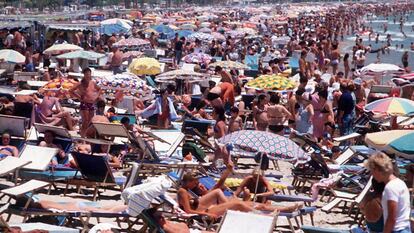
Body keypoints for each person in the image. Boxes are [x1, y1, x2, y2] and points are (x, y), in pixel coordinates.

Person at [177, 173, 300, 219]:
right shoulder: (182, 191)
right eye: (195, 182)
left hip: (210, 207)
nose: (197, 185)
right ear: (188, 181)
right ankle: (262, 216)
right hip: (207, 211)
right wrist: (207, 214)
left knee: (251, 204)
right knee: (239, 204)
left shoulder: (187, 190)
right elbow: (188, 211)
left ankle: (285, 209)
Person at [364, 152, 411, 233]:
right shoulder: (400, 183)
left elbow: (392, 218)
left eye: (372, 171)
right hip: (405, 228)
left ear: (377, 170)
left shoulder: (390, 188)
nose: (372, 174)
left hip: (396, 230)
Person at [69, 68, 101, 136]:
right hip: (84, 103)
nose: (88, 76)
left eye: (89, 74)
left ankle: (85, 135)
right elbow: (70, 90)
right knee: (85, 121)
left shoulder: (92, 82)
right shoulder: (80, 83)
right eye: (86, 74)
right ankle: (82, 136)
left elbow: (99, 89)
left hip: (91, 103)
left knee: (90, 121)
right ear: (84, 75)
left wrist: (96, 97)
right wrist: (78, 97)